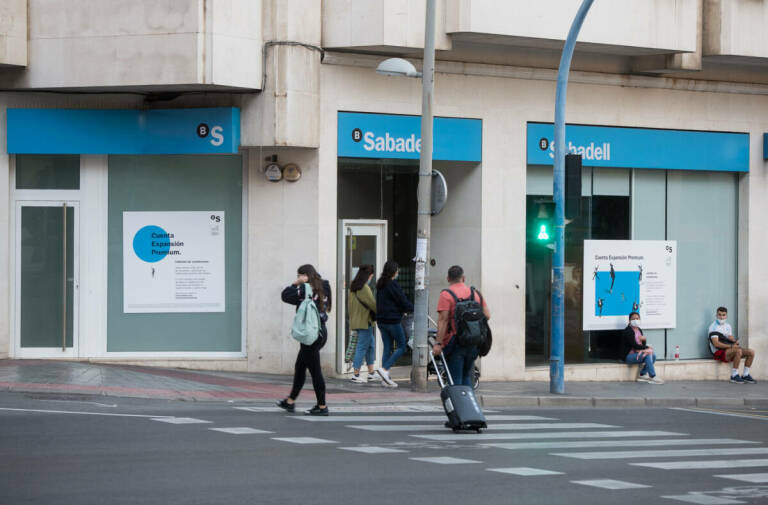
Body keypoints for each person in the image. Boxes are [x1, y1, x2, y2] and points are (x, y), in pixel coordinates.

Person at [277, 264, 332, 415]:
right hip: (320, 331)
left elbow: (285, 295)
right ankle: (290, 401)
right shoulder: (324, 286)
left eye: (299, 275)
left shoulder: (303, 289)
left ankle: (322, 406)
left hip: (310, 335)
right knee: (300, 366)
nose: (298, 278)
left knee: (315, 371)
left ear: (306, 275)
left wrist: (294, 284)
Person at [432, 265, 490, 387]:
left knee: (455, 379)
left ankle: (458, 405)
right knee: (466, 376)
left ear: (448, 278)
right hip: (474, 342)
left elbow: (443, 320)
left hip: (455, 343)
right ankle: (468, 404)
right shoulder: (475, 293)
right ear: (463, 278)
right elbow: (487, 315)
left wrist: (438, 344)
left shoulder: (446, 294)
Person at [374, 260, 413, 388]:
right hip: (392, 320)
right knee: (402, 346)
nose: (398, 273)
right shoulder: (393, 285)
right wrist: (412, 308)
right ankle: (385, 369)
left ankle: (385, 379)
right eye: (397, 270)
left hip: (381, 321)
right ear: (394, 271)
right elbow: (401, 300)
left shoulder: (380, 284)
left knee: (387, 347)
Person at [348, 265, 380, 384]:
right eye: (371, 276)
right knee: (362, 347)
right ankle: (356, 374)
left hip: (357, 320)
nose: (371, 277)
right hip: (365, 321)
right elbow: (373, 304)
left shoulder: (353, 287)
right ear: (368, 276)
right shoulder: (364, 288)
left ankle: (371, 373)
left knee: (371, 345)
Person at [708, 306, 757, 384]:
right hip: (718, 352)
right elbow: (716, 344)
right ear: (716, 315)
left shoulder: (727, 326)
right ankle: (734, 375)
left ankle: (745, 375)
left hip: (728, 350)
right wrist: (731, 346)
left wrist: (734, 342)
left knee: (751, 352)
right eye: (719, 315)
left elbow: (729, 337)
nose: (721, 317)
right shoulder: (713, 327)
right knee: (738, 351)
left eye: (723, 315)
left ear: (726, 316)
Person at [622, 312, 664, 384]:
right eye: (633, 319)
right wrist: (647, 347)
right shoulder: (628, 331)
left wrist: (644, 341)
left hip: (637, 353)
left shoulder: (639, 330)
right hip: (628, 356)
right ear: (629, 321)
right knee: (648, 354)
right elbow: (634, 345)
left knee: (653, 356)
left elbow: (641, 345)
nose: (635, 320)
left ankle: (642, 374)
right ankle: (652, 376)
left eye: (637, 318)